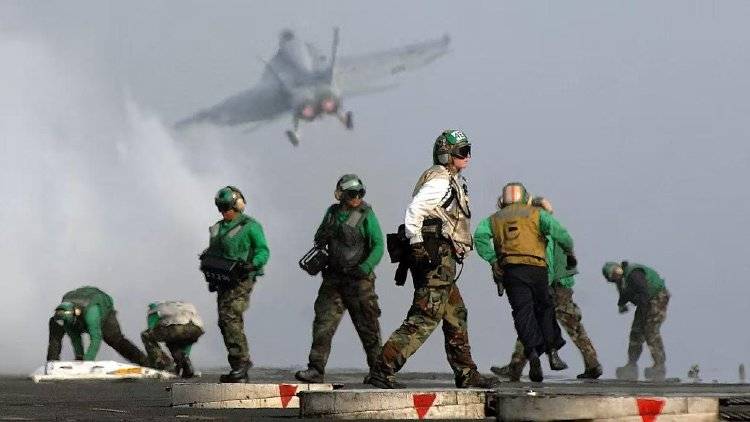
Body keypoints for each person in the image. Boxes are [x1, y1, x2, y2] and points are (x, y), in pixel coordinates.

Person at [366, 129, 497, 389]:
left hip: (442, 258)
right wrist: (416, 243)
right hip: (435, 259)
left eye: (468, 150)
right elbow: (415, 210)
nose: (468, 156)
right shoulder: (439, 180)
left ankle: (467, 373)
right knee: (425, 316)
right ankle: (382, 368)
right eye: (462, 151)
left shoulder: (452, 179)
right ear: (447, 154)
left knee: (456, 314)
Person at [484, 197, 602, 380]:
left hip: (550, 285)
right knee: (573, 326)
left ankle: (515, 367)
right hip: (563, 287)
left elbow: (548, 262)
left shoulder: (539, 232)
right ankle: (592, 364)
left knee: (529, 321)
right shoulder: (555, 230)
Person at [473, 182, 573, 382]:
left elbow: (479, 238)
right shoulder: (536, 214)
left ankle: (533, 354)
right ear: (526, 197)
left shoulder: (493, 219)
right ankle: (552, 351)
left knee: (522, 313)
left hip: (512, 271)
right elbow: (560, 233)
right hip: (537, 269)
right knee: (544, 309)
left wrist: (493, 259)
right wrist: (568, 249)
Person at [295, 174, 384, 383]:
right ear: (341, 194)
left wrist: (365, 267)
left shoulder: (365, 214)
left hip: (359, 281)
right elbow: (319, 238)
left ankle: (379, 372)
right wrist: (326, 233)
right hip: (334, 279)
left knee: (368, 327)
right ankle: (316, 368)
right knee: (323, 325)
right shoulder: (332, 213)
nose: (357, 198)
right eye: (352, 194)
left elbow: (378, 245)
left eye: (360, 193)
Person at [200, 186, 269, 383]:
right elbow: (213, 252)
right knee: (224, 321)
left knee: (230, 317)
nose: (224, 212)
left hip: (242, 279)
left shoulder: (250, 227)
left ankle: (241, 362)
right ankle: (238, 366)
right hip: (223, 280)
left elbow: (263, 250)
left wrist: (253, 264)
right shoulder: (218, 228)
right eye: (221, 208)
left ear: (237, 206)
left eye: (227, 208)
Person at [602, 261, 670, 381]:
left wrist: (643, 317)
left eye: (616, 271)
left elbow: (644, 293)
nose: (616, 275)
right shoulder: (621, 280)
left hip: (657, 297)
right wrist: (621, 304)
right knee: (636, 332)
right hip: (644, 301)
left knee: (650, 330)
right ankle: (631, 366)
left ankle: (659, 366)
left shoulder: (634, 274)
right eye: (612, 276)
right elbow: (624, 294)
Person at [47, 286, 147, 365]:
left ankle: (144, 361)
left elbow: (96, 337)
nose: (64, 324)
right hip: (77, 316)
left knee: (114, 339)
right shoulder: (64, 316)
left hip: (102, 312)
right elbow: (75, 337)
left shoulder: (91, 313)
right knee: (55, 325)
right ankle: (52, 364)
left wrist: (88, 360)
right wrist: (79, 358)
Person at [141, 300, 204, 378]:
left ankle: (163, 364)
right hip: (196, 329)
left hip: (176, 328)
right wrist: (184, 356)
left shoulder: (155, 309)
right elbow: (188, 343)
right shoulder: (181, 306)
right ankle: (184, 367)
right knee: (176, 340)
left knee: (146, 335)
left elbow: (151, 326)